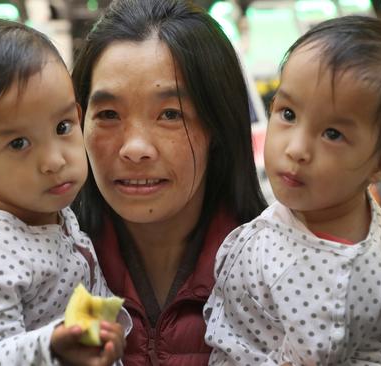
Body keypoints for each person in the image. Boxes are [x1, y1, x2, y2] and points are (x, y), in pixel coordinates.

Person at [204, 15, 381, 365]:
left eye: (332, 134)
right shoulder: (322, 207)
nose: (296, 148)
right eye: (287, 113)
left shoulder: (333, 285)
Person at [0, 20, 128, 365]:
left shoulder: (42, 205)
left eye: (63, 127)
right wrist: (53, 347)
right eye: (19, 143)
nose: (54, 160)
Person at [70, 0, 267, 365]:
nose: (135, 148)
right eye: (109, 114)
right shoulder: (42, 271)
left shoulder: (277, 278)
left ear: (218, 126)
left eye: (170, 114)